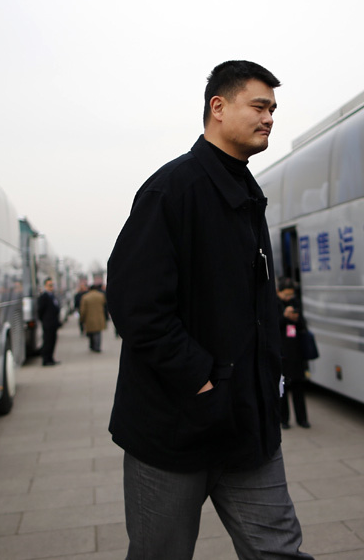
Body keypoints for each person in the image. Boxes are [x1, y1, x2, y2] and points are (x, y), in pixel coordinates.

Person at [106, 60, 312, 559]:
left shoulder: (246, 191)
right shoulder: (172, 189)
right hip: (174, 430)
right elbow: (134, 305)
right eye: (259, 106)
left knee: (280, 551)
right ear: (218, 107)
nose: (269, 119)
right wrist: (201, 378)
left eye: (273, 110)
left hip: (249, 430)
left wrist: (268, 377)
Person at [277, 277, 310, 429]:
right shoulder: (274, 304)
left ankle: (302, 419)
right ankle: (284, 420)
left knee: (298, 386)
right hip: (281, 352)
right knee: (282, 388)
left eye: (291, 294)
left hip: (295, 351)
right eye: (286, 294)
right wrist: (284, 316)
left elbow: (303, 324)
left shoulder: (295, 303)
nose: (289, 297)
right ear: (279, 292)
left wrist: (295, 318)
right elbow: (272, 326)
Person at [37, 278, 61, 366]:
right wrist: (44, 320)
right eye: (50, 285)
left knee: (52, 341)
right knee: (47, 341)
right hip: (47, 323)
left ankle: (51, 358)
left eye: (52, 285)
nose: (52, 287)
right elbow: (40, 311)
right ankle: (46, 360)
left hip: (53, 323)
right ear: (45, 286)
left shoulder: (52, 295)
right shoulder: (44, 297)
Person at [80, 283, 107, 352]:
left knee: (91, 332)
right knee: (98, 333)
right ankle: (97, 347)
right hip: (99, 316)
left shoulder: (85, 297)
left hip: (89, 318)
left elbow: (83, 310)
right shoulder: (101, 296)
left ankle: (92, 346)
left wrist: (82, 318)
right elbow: (105, 306)